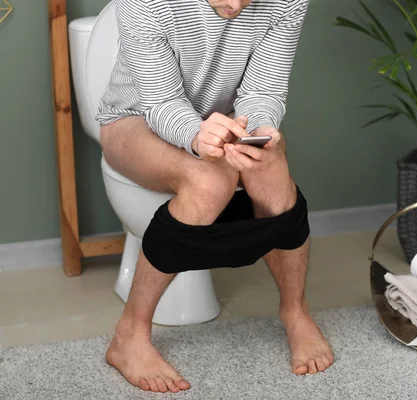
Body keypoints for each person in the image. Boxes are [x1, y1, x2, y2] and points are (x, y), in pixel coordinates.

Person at [96, 0, 334, 394]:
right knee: (209, 180)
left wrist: (260, 130)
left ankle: (296, 312)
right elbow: (160, 102)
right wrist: (196, 135)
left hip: (226, 123)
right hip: (133, 119)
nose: (236, 6)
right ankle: (130, 333)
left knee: (271, 162)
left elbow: (264, 89)